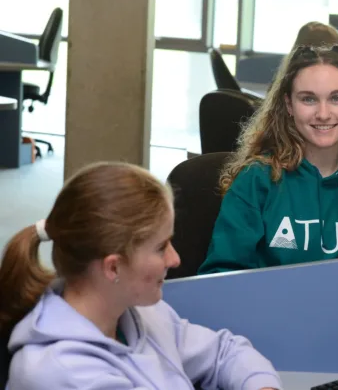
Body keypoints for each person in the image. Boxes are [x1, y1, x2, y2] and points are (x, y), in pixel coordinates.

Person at [0, 163, 281, 390]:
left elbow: (224, 352)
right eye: (161, 248)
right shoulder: (62, 374)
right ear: (113, 268)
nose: (175, 259)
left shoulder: (140, 312)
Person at [198, 44, 338, 275]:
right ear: (289, 104)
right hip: (272, 310)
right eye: (308, 99)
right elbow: (220, 277)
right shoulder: (256, 181)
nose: (323, 113)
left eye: (337, 98)